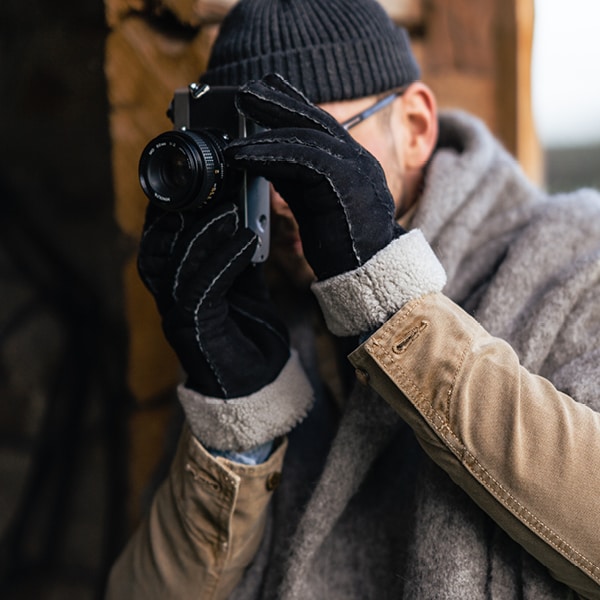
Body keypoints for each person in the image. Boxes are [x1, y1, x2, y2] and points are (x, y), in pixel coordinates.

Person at [106, 0, 600, 598]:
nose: (280, 197)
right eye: (252, 161)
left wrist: (388, 299)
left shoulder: (578, 257)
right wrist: (235, 428)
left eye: (308, 148)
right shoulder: (255, 308)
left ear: (415, 126)